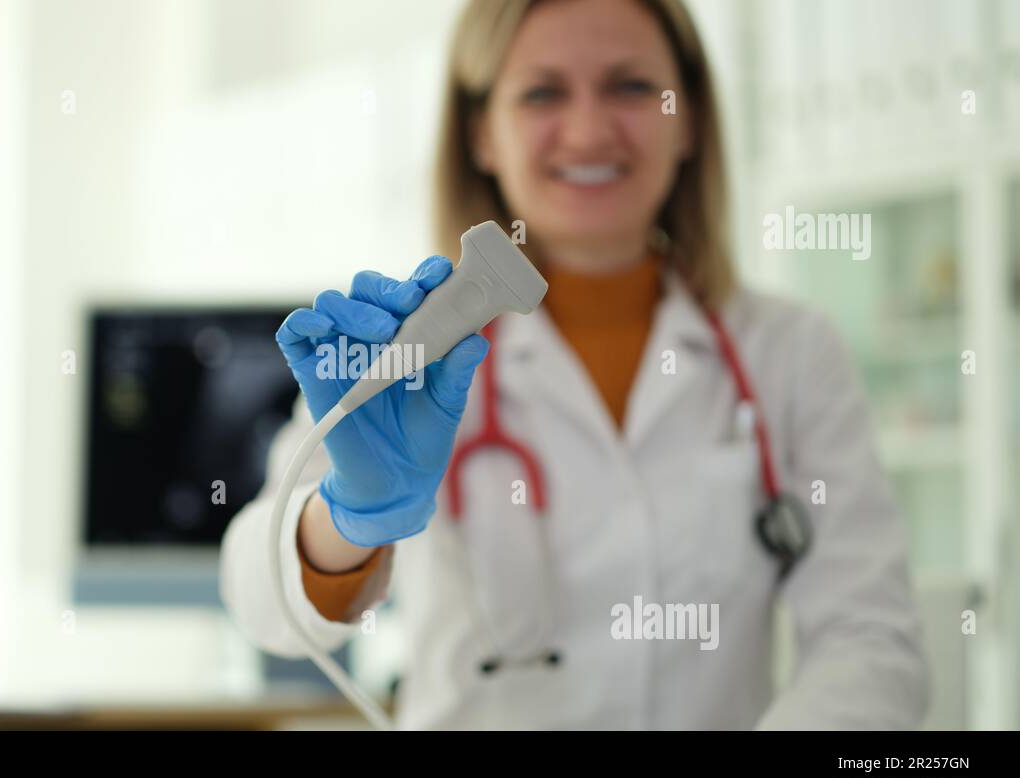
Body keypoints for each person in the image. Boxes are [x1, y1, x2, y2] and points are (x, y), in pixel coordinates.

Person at [220, 0, 930, 729]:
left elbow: (868, 638)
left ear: (686, 119)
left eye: (630, 87)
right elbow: (257, 593)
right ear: (481, 135)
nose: (590, 130)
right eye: (542, 92)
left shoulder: (792, 352)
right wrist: (350, 517)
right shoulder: (410, 348)